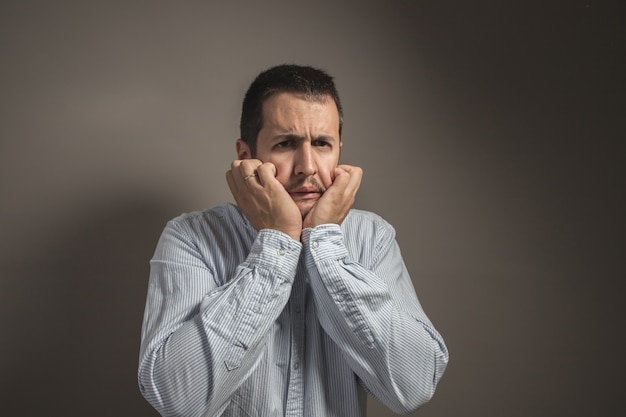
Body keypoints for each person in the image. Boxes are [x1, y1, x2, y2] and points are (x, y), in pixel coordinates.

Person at [138, 64, 448, 417]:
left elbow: (413, 386)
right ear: (246, 157)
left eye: (322, 144)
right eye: (286, 144)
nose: (308, 166)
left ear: (339, 151)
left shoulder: (372, 238)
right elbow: (178, 399)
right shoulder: (191, 237)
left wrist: (326, 249)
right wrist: (277, 243)